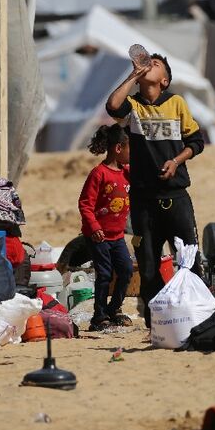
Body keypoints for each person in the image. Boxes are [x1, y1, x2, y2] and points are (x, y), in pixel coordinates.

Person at [106, 52, 205, 328]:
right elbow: (113, 106)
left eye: (156, 64)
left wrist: (176, 161)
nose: (149, 64)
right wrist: (133, 75)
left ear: (164, 80)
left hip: (176, 196)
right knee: (148, 266)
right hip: (143, 200)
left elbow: (196, 142)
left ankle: (197, 316)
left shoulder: (176, 103)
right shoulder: (134, 107)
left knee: (188, 259)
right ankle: (158, 323)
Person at [78, 124, 134, 331]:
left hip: (118, 236)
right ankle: (99, 316)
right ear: (118, 149)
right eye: (130, 149)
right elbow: (85, 203)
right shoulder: (98, 174)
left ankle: (114, 309)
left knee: (126, 270)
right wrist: (93, 227)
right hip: (98, 236)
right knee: (104, 274)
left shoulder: (128, 173)